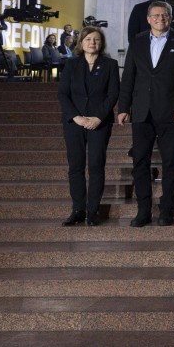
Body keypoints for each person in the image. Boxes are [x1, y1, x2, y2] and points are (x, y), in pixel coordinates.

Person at [117, 1, 174, 227]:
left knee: (170, 163)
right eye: (156, 15)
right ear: (148, 19)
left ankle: (167, 210)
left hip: (170, 112)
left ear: (171, 18)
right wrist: (123, 108)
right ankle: (143, 211)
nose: (160, 18)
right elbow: (128, 77)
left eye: (165, 15)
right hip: (142, 112)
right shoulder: (138, 41)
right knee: (140, 162)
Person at [57, 26, 119, 227]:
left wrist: (98, 117)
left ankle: (92, 211)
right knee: (76, 166)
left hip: (99, 123)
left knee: (96, 165)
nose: (92, 43)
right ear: (81, 43)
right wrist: (76, 117)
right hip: (74, 123)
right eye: (88, 39)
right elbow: (63, 94)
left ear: (101, 43)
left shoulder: (110, 64)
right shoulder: (71, 64)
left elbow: (113, 94)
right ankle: (78, 210)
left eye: (96, 39)